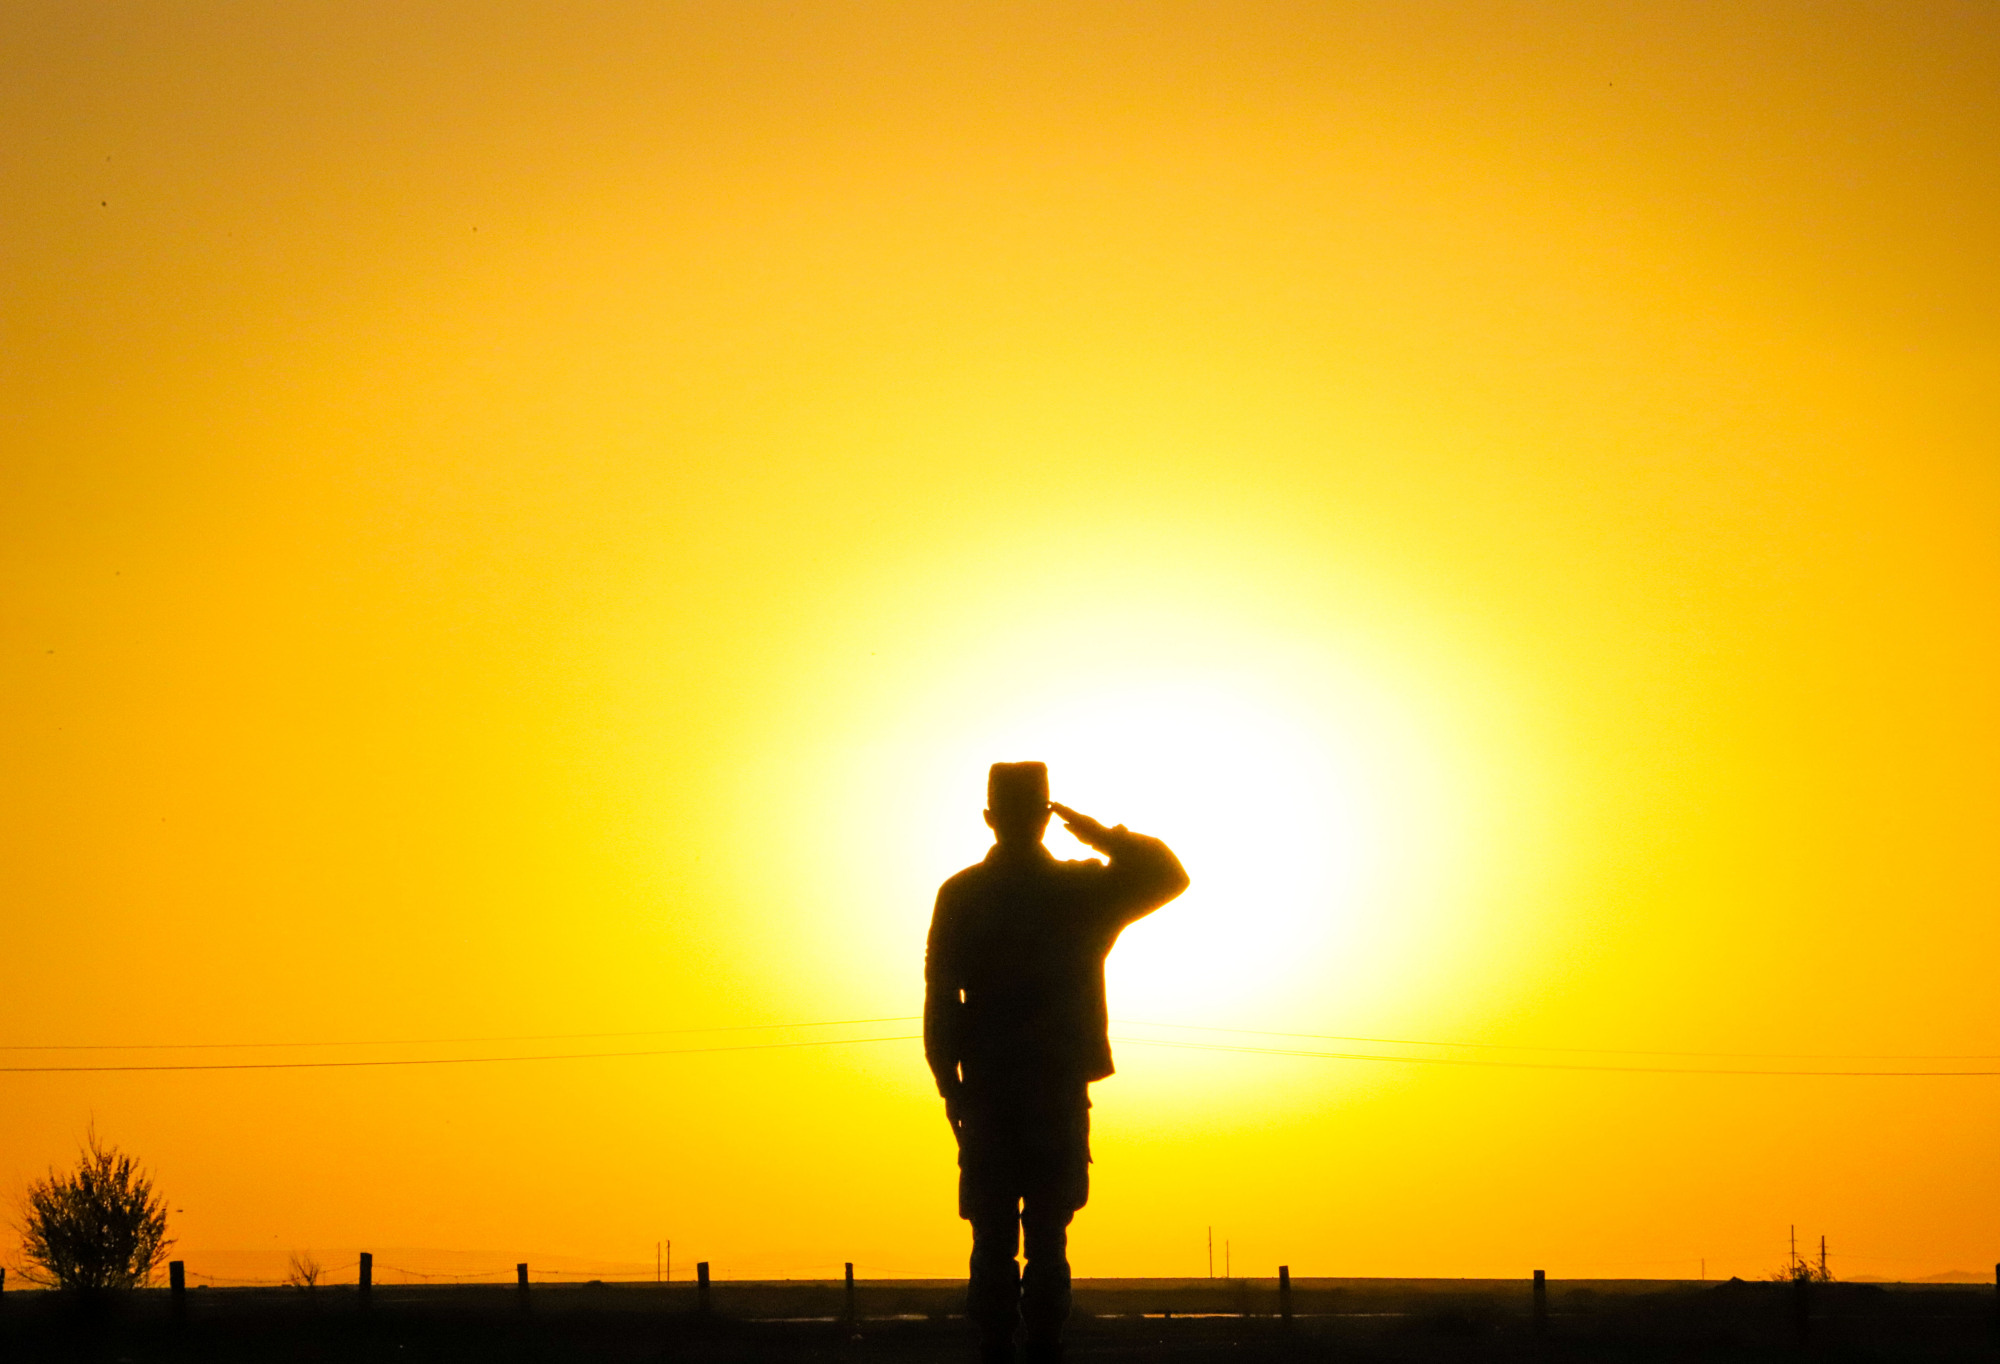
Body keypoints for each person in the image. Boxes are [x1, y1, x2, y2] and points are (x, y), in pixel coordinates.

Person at [924, 761, 1190, 1364]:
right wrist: (1101, 835)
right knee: (1044, 1236)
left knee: (998, 1236)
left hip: (994, 1088)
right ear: (1045, 817)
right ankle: (1038, 1347)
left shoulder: (965, 894)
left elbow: (939, 997)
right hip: (1046, 1088)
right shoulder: (1078, 892)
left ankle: (1003, 1347)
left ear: (989, 818)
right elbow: (1167, 874)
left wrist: (949, 1083)